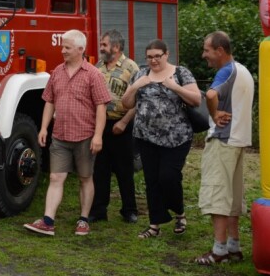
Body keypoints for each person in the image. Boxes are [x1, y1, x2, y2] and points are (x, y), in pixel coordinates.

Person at [23, 29, 110, 236]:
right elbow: (49, 102)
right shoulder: (57, 73)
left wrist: (98, 136)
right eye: (62, 46)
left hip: (85, 136)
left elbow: (101, 107)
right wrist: (44, 128)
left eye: (67, 48)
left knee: (85, 178)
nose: (62, 51)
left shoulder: (94, 75)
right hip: (60, 136)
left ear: (81, 49)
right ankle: (47, 221)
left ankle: (83, 219)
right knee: (55, 177)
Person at [121, 39, 202, 239]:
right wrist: (134, 87)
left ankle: (179, 212)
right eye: (150, 57)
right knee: (152, 181)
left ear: (166, 55)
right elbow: (126, 104)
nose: (154, 60)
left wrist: (174, 87)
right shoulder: (140, 74)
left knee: (168, 177)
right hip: (146, 137)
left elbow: (196, 99)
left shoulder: (181, 73)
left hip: (176, 137)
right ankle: (154, 225)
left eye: (158, 56)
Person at [194, 31, 254, 265]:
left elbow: (210, 94)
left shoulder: (226, 71)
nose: (204, 55)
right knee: (232, 197)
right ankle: (234, 246)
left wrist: (214, 113)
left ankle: (218, 251)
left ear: (220, 50)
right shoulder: (243, 70)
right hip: (239, 140)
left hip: (223, 140)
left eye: (207, 50)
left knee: (217, 195)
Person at [89, 29, 139, 224]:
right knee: (100, 170)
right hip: (101, 125)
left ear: (116, 47)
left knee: (124, 170)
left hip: (122, 125)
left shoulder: (131, 67)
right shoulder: (97, 67)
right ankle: (99, 210)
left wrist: (124, 122)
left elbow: (138, 100)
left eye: (104, 44)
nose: (101, 48)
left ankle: (129, 210)